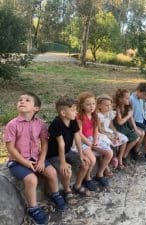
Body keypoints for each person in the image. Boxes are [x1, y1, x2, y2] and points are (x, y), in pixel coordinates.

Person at [4, 92, 66, 225]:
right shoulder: (12, 125)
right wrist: (25, 162)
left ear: (36, 108)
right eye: (20, 100)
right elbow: (11, 149)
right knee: (32, 180)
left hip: (37, 158)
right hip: (17, 161)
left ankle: (55, 194)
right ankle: (33, 208)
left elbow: (44, 143)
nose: (22, 101)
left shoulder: (40, 124)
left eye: (27, 100)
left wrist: (42, 160)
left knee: (52, 173)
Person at [47, 96, 92, 203]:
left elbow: (77, 137)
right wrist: (62, 163)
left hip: (68, 151)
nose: (76, 112)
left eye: (76, 109)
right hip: (54, 155)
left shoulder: (72, 120)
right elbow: (61, 144)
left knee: (86, 163)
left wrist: (81, 155)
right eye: (73, 110)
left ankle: (77, 185)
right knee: (66, 171)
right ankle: (67, 191)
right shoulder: (56, 123)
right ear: (63, 113)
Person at [77, 91, 113, 187]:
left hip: (93, 139)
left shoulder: (94, 115)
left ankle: (100, 174)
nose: (92, 106)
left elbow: (95, 130)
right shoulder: (80, 117)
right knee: (92, 160)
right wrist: (89, 143)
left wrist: (95, 141)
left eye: (93, 104)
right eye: (88, 104)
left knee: (109, 153)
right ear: (82, 105)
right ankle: (87, 178)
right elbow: (79, 134)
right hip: (83, 141)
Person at [96, 94, 128, 169]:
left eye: (110, 105)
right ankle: (112, 159)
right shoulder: (98, 115)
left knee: (124, 138)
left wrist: (115, 132)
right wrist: (109, 136)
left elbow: (111, 125)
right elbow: (100, 129)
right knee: (108, 141)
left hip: (108, 130)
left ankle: (119, 158)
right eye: (106, 105)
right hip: (101, 133)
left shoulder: (109, 113)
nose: (109, 107)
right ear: (99, 106)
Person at [113, 89, 143, 165]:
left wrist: (135, 129)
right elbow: (120, 122)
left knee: (137, 136)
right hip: (118, 128)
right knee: (133, 137)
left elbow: (131, 118)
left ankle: (125, 155)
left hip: (125, 126)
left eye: (129, 98)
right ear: (120, 99)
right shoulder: (118, 108)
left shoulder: (128, 106)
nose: (129, 100)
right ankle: (122, 156)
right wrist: (128, 115)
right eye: (127, 98)